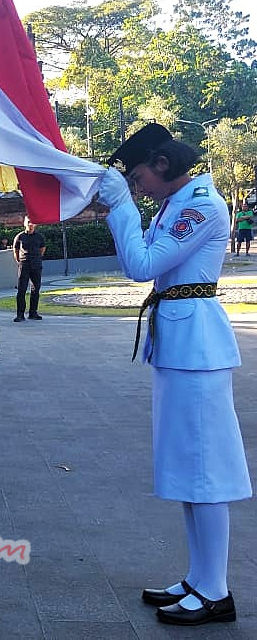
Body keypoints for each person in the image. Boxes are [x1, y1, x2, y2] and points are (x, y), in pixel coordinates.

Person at [97, 123, 251, 627]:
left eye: (138, 175)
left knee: (205, 471)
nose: (136, 184)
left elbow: (141, 266)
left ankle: (215, 590)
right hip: (180, 344)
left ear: (161, 163)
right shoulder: (175, 204)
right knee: (189, 470)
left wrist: (120, 207)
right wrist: (125, 208)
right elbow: (136, 263)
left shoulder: (201, 205)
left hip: (197, 349)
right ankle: (199, 578)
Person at [13, 215, 46, 322]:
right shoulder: (20, 236)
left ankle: (33, 313)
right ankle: (20, 314)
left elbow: (42, 249)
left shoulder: (40, 237)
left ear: (35, 224)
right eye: (28, 222)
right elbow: (16, 250)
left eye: (32, 223)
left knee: (36, 289)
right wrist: (19, 261)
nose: (30, 225)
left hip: (36, 265)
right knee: (21, 290)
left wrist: (37, 259)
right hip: (24, 265)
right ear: (24, 223)